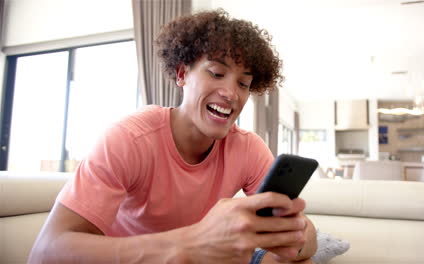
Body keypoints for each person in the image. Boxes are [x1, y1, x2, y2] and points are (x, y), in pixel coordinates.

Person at [29, 9, 317, 264]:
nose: (231, 93)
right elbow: (45, 253)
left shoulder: (247, 148)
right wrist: (188, 244)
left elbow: (304, 241)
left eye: (243, 83)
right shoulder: (128, 139)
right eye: (216, 73)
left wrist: (296, 237)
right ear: (182, 74)